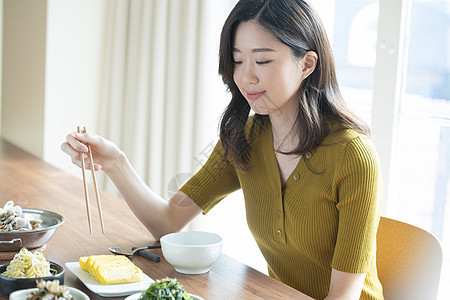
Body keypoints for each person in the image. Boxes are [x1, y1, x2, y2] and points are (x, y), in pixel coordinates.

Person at [61, 0, 383, 299]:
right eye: (238, 60)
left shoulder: (354, 157)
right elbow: (168, 222)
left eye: (262, 60)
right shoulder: (245, 137)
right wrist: (116, 162)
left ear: (307, 64)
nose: (245, 76)